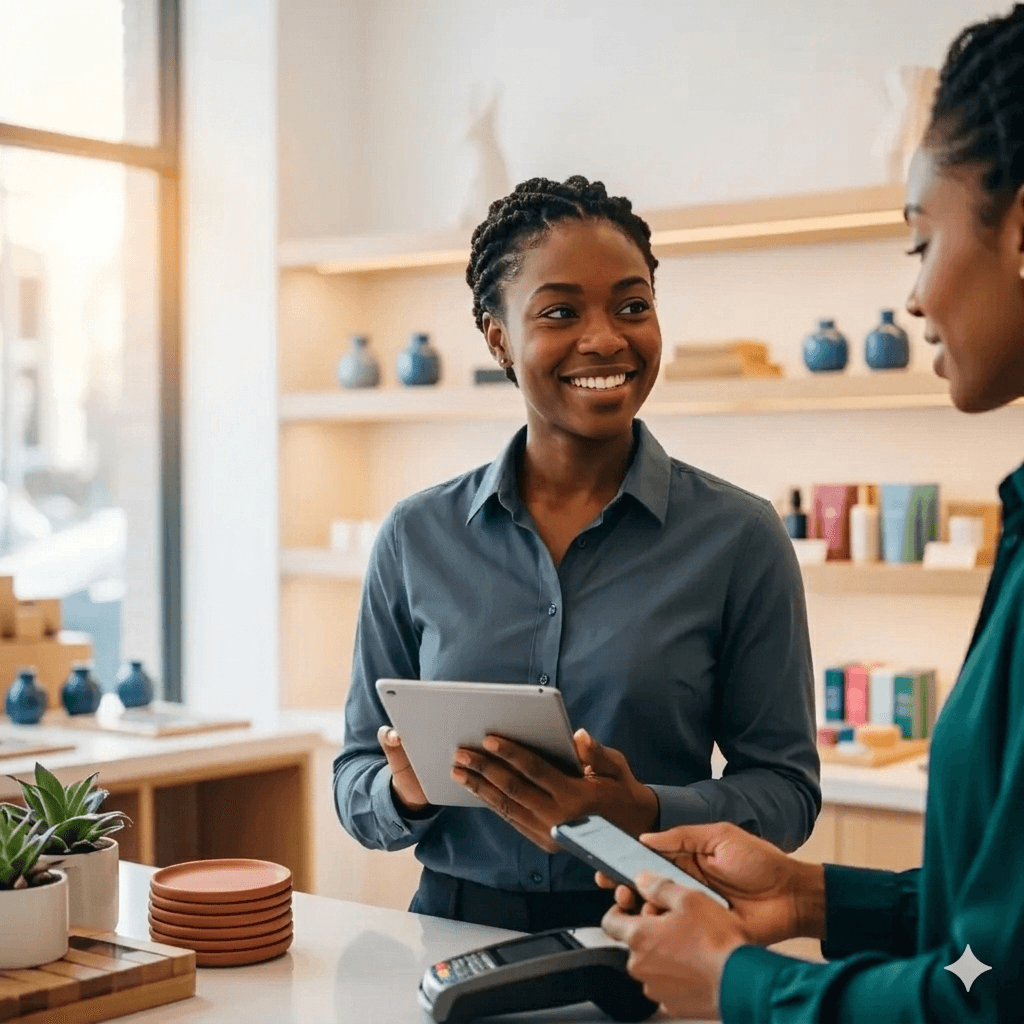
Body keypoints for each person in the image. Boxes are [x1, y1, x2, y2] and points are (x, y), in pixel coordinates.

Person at [601, 7, 1024, 1020]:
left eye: (920, 241)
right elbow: (996, 937)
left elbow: (989, 996)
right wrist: (809, 896)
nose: (913, 298)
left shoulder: (735, 532)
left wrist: (737, 982)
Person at [334, 175, 820, 933]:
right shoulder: (416, 536)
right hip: (453, 931)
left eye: (632, 307)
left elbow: (787, 793)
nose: (605, 339)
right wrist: (405, 790)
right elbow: (355, 776)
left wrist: (647, 809)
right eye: (560, 312)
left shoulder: (740, 538)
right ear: (498, 337)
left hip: (655, 931)